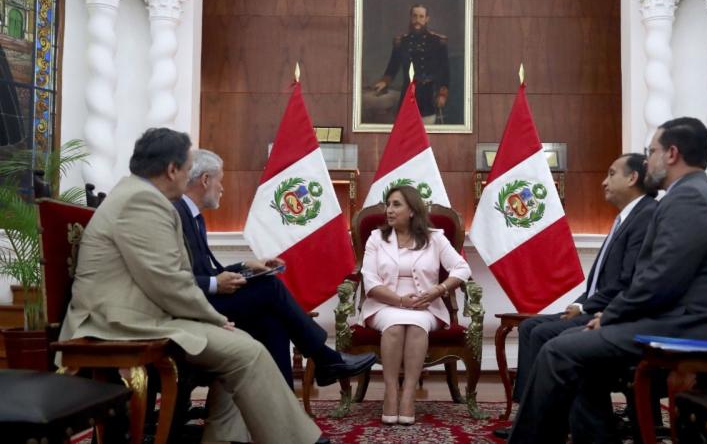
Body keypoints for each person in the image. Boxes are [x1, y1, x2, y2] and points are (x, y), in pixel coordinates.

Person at [58, 128, 325, 444]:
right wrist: (215, 319)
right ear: (172, 170)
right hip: (119, 322)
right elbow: (168, 281)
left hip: (141, 313)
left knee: (242, 345)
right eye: (187, 168)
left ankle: (225, 439)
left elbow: (173, 277)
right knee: (247, 351)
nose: (189, 176)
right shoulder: (141, 202)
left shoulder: (140, 195)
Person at [508, 117, 707, 444]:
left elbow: (660, 280)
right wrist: (611, 315)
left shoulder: (689, 198)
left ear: (672, 154)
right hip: (674, 319)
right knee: (576, 349)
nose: (648, 161)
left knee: (559, 350)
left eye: (652, 151)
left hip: (689, 326)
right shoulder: (688, 195)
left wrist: (610, 316)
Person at [174, 149, 377, 388]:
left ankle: (286, 400)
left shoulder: (193, 216)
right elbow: (173, 278)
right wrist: (216, 283)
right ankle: (325, 358)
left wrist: (245, 266)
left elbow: (203, 271)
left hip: (204, 299)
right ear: (205, 180)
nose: (222, 188)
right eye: (220, 180)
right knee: (269, 286)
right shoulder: (177, 214)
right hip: (191, 307)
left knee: (273, 321)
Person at [494, 153, 657, 439]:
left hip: (614, 313)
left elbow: (626, 282)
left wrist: (583, 307)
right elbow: (604, 281)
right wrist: (580, 303)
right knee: (530, 326)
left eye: (611, 174)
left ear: (632, 178)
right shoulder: (627, 217)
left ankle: (542, 419)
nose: (604, 182)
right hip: (598, 306)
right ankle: (532, 413)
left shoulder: (645, 216)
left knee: (542, 332)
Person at [360, 185, 471, 425]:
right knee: (394, 325)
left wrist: (437, 290)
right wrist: (400, 300)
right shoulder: (376, 238)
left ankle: (409, 394)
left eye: (396, 205)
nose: (389, 210)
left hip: (426, 306)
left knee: (417, 325)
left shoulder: (435, 238)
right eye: (388, 205)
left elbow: (462, 268)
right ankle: (391, 393)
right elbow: (370, 281)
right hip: (383, 305)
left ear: (412, 210)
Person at [372, 3, 449, 124]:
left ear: (427, 19)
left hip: (428, 97)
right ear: (410, 17)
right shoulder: (401, 42)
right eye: (415, 16)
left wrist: (442, 94)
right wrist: (384, 81)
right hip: (408, 95)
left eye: (421, 16)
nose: (417, 20)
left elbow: (444, 71)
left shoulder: (438, 42)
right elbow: (393, 66)